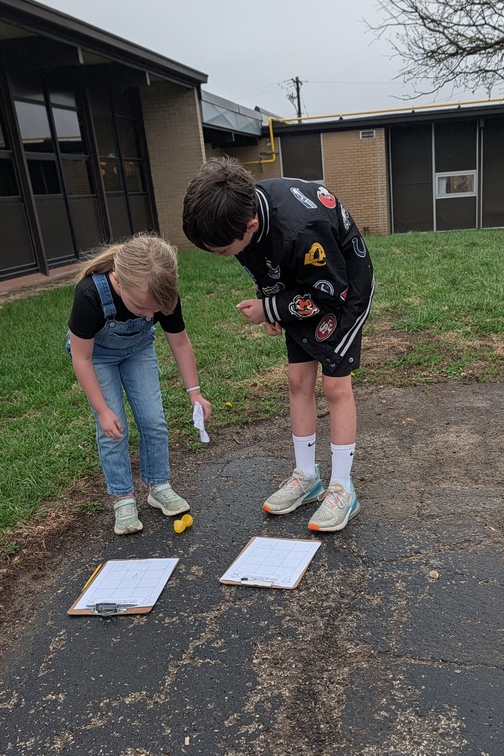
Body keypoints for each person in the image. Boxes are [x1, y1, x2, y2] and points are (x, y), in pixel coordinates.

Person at [181, 158, 374, 532]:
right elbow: (260, 261)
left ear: (250, 225)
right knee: (298, 381)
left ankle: (342, 487)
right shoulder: (242, 214)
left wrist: (271, 308)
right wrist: (270, 300)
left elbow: (330, 293)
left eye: (222, 251)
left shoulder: (302, 229)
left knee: (335, 387)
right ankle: (307, 475)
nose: (221, 257)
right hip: (300, 288)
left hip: (343, 293)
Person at [67, 233, 211, 535]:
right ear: (119, 281)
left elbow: (180, 343)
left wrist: (194, 393)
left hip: (138, 351)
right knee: (113, 430)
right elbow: (81, 358)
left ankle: (158, 486)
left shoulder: (161, 293)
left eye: (155, 310)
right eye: (141, 307)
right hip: (97, 358)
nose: (149, 315)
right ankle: (123, 498)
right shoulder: (90, 294)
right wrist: (102, 410)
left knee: (154, 421)